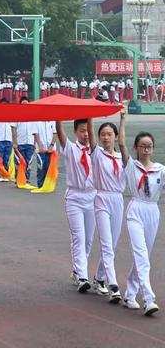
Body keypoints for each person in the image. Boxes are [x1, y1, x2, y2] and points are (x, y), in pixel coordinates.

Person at [118, 110, 164, 316]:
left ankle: (129, 294)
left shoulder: (160, 170)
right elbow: (121, 144)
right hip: (136, 209)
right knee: (141, 254)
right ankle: (148, 298)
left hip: (152, 211)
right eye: (142, 146)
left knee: (144, 255)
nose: (146, 149)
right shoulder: (131, 166)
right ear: (136, 147)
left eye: (149, 146)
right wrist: (122, 120)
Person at [56, 119, 96, 293]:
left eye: (87, 131)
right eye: (81, 131)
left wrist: (91, 117)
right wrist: (58, 118)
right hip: (74, 198)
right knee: (78, 237)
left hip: (92, 197)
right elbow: (60, 133)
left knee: (88, 239)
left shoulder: (96, 152)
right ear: (75, 132)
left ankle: (78, 269)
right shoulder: (71, 149)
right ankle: (82, 277)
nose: (85, 134)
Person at [87, 118, 124, 302]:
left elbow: (124, 143)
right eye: (103, 135)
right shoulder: (97, 154)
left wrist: (123, 119)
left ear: (116, 137)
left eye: (110, 134)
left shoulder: (122, 157)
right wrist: (90, 116)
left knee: (113, 244)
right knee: (107, 244)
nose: (106, 138)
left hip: (117, 200)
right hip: (101, 198)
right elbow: (91, 133)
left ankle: (100, 277)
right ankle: (114, 285)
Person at [11, 98, 35, 185]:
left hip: (30, 143)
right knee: (19, 162)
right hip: (20, 143)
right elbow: (13, 129)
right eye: (23, 104)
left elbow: (36, 130)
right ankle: (18, 179)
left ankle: (27, 179)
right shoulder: (17, 115)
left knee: (28, 162)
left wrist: (35, 142)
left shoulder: (33, 116)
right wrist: (14, 142)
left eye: (27, 104)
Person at [32, 121, 57, 189]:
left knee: (49, 168)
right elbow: (36, 134)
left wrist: (51, 145)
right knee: (41, 167)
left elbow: (55, 134)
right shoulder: (36, 121)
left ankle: (49, 185)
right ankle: (40, 185)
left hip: (51, 150)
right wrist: (40, 146)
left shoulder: (53, 121)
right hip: (41, 150)